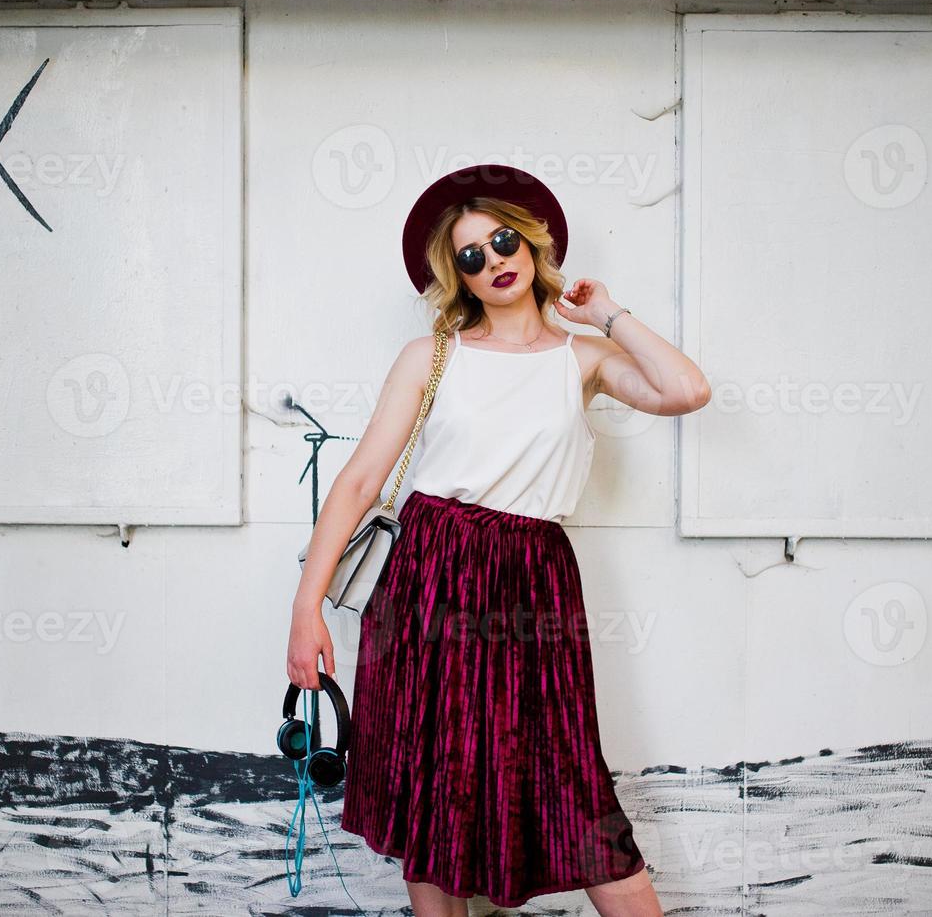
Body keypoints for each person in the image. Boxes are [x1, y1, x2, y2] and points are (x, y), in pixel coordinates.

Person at [286, 164, 710, 916]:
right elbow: (355, 485)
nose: (494, 262)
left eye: (503, 240)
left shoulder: (580, 360)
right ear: (459, 276)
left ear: (534, 244)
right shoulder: (430, 357)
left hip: (529, 579)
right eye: (471, 256)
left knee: (565, 778)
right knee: (430, 780)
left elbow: (686, 390)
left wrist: (607, 313)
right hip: (425, 576)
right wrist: (306, 609)